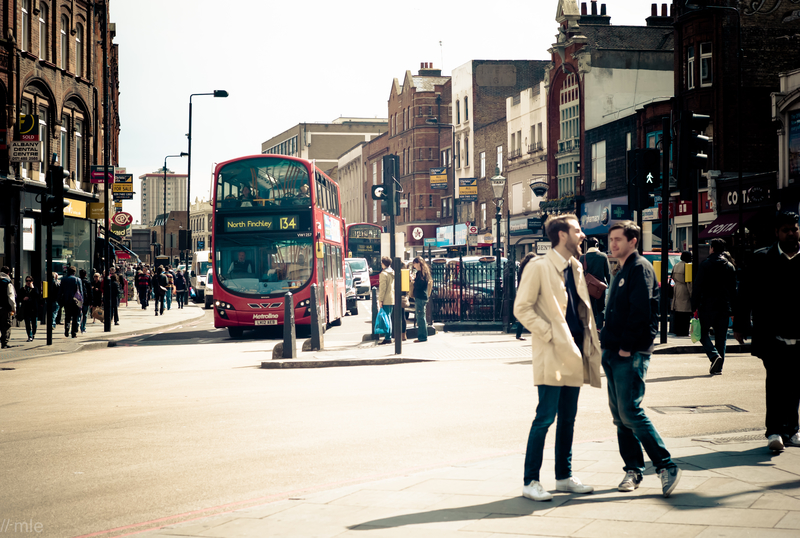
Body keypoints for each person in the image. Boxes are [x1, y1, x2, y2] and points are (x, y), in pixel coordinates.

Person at [513, 215, 601, 502]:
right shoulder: (539, 266)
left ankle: (563, 476)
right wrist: (549, 333)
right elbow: (522, 308)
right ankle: (530, 481)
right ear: (562, 235)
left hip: (575, 351)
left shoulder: (575, 266)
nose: (582, 235)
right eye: (577, 230)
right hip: (552, 352)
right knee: (545, 417)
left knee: (569, 419)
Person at [601, 220, 681, 498]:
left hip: (629, 353)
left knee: (631, 412)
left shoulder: (640, 267)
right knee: (620, 417)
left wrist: (626, 347)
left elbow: (641, 312)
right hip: (612, 351)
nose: (613, 244)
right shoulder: (621, 268)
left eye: (618, 239)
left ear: (633, 241)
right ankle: (633, 469)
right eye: (611, 239)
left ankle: (665, 465)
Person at [734, 211, 800, 452]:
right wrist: (740, 324)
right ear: (777, 233)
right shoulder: (761, 259)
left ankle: (792, 430)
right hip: (773, 335)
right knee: (776, 383)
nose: (791, 234)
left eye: (794, 228)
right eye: (786, 230)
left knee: (796, 385)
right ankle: (774, 431)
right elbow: (746, 294)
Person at [692, 237, 737, 375]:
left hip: (707, 306)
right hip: (724, 307)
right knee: (721, 337)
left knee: (702, 333)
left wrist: (694, 306)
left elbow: (697, 287)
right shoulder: (730, 267)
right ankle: (719, 366)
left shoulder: (705, 264)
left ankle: (713, 355)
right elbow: (733, 291)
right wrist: (734, 311)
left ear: (711, 248)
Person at [580, 237, 611, 330]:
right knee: (601, 307)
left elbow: (580, 273)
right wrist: (611, 287)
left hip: (587, 287)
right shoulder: (603, 256)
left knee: (589, 307)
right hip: (600, 288)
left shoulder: (583, 257)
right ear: (597, 245)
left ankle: (590, 326)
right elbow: (608, 273)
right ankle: (599, 327)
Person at [670, 252, 693, 337]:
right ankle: (684, 331)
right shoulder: (687, 266)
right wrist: (692, 295)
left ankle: (678, 330)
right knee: (685, 312)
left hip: (677, 288)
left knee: (678, 311)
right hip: (684, 289)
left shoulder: (676, 265)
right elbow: (689, 282)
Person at [514, 253, 537, 339]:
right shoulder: (530, 269)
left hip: (523, 291)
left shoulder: (522, 268)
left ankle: (518, 334)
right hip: (530, 292)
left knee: (526, 313)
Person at [411, 257, 432, 342]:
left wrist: (413, 280)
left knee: (421, 318)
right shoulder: (423, 272)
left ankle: (422, 337)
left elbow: (419, 286)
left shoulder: (422, 273)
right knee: (421, 317)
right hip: (421, 297)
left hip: (420, 297)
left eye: (414, 264)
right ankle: (423, 336)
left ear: (418, 263)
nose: (414, 266)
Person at [60, 266, 84, 339]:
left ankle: (67, 329)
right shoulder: (77, 279)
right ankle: (73, 333)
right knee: (75, 318)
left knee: (67, 316)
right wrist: (82, 301)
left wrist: (60, 300)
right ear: (74, 272)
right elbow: (81, 292)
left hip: (67, 301)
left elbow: (60, 291)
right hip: (75, 301)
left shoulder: (63, 279)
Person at [377, 256, 394, 345]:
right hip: (391, 298)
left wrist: (380, 300)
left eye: (381, 262)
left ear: (383, 263)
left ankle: (388, 337)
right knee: (388, 317)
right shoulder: (392, 272)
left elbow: (382, 288)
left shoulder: (384, 274)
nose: (381, 264)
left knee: (386, 318)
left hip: (386, 299)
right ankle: (389, 336)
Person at [19, 276, 40, 342]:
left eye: (29, 281)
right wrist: (23, 298)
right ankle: (29, 335)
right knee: (27, 323)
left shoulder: (35, 289)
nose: (28, 282)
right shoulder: (23, 289)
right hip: (26, 308)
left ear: (32, 282)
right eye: (27, 281)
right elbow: (19, 297)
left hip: (34, 308)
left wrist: (32, 288)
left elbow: (37, 296)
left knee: (34, 324)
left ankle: (33, 334)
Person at [0, 266, 16, 348]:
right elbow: (11, 297)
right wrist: (14, 308)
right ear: (8, 273)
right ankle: (4, 343)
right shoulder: (8, 283)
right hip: (5, 308)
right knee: (6, 326)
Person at [79, 269, 92, 334]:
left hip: (78, 300)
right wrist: (91, 302)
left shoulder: (78, 281)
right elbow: (90, 293)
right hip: (86, 300)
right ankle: (83, 327)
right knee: (85, 314)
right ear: (85, 274)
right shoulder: (87, 282)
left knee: (78, 314)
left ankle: (77, 326)